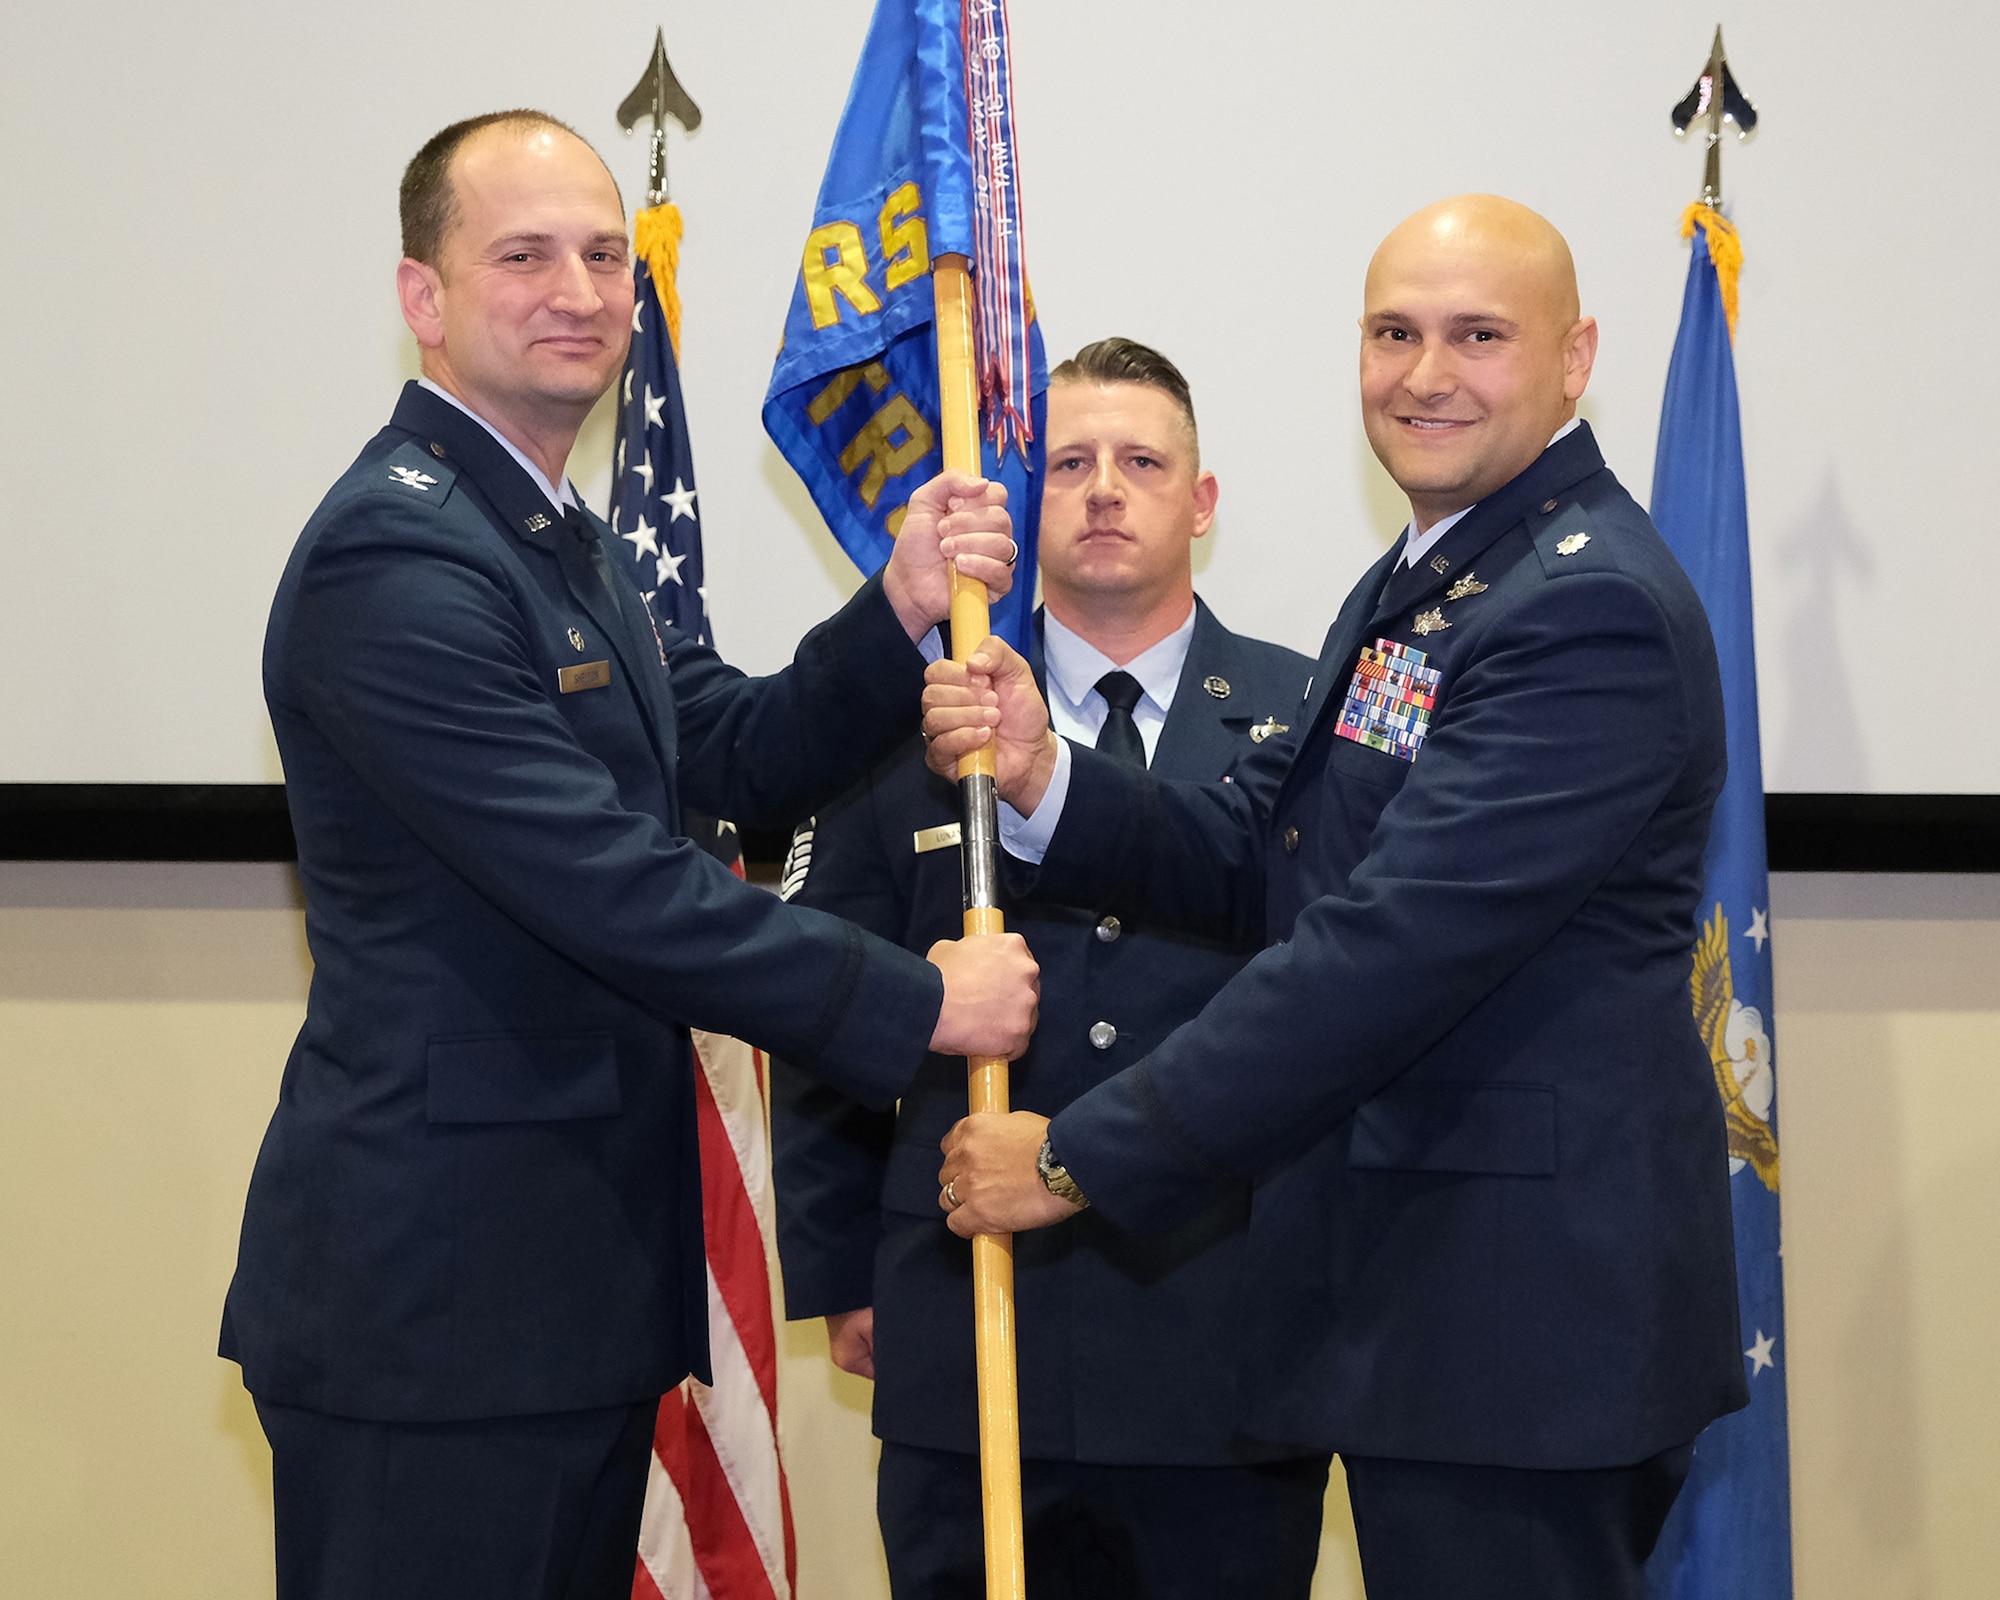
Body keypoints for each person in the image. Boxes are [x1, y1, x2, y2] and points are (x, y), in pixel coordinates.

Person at [219, 109, 1040, 1600]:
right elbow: (610, 882)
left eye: (606, 255)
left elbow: (716, 754)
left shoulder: (546, 529)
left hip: (559, 1295)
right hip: (442, 1312)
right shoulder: (395, 557)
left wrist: (900, 607)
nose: (583, 291)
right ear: (425, 297)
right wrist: (920, 1006)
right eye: (524, 256)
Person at [923, 196, 1751, 1600]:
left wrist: (1078, 1159)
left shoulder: (1579, 605)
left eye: (1477, 335)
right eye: (1394, 334)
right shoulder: (1435, 577)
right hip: (1433, 1305)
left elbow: (1384, 951)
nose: (1426, 375)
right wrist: (1042, 774)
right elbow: (1282, 855)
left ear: (1574, 357)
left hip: (1522, 1324)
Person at [771, 339, 1321, 1599]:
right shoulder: (909, 720)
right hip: (968, 1316)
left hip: (1219, 1330)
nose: (1104, 490)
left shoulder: (1303, 725)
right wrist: (843, 1270)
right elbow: (820, 1002)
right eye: (1068, 463)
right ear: (1022, 506)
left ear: (1203, 497)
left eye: (1140, 461)